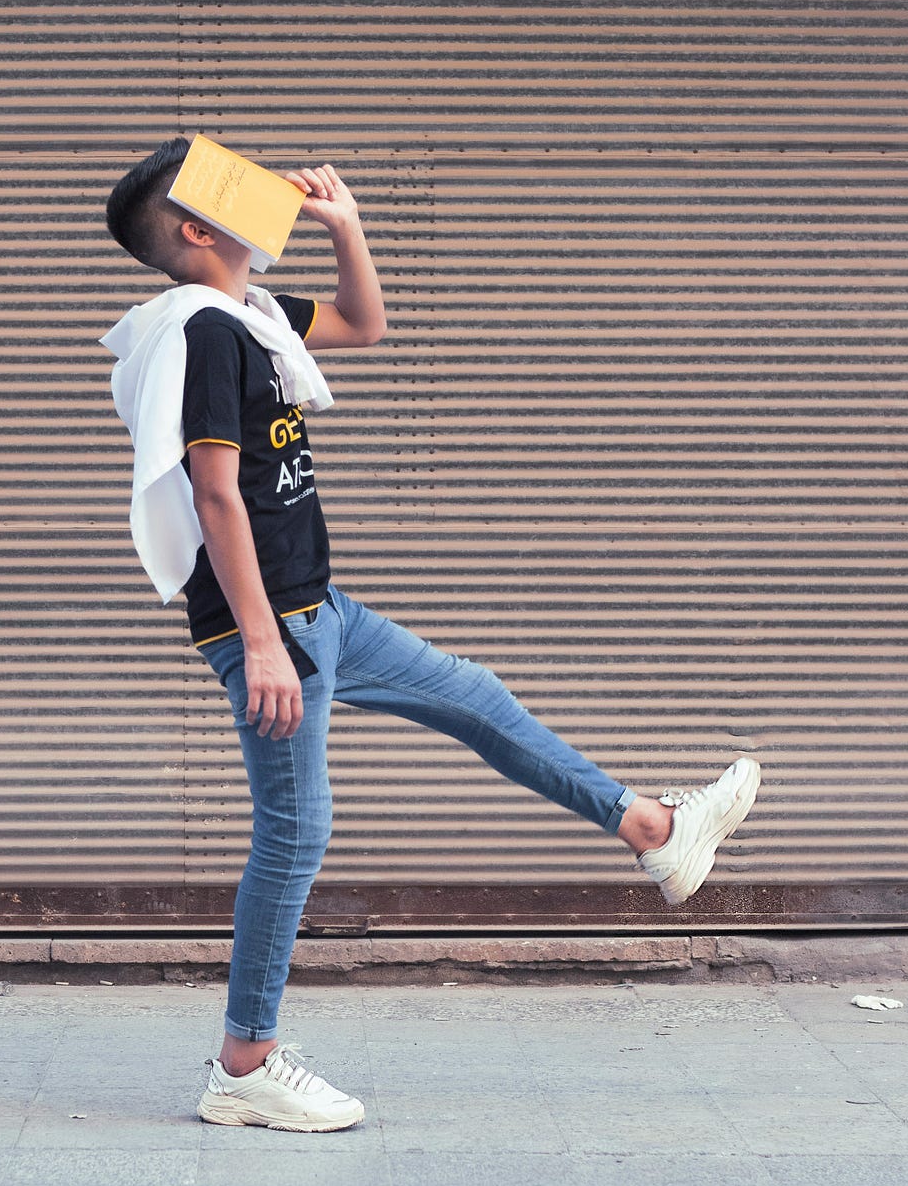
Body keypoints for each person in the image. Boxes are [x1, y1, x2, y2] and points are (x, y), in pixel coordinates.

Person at [101, 136, 760, 1134]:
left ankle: (654, 833)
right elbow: (214, 493)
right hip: (274, 622)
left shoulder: (250, 313)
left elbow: (362, 324)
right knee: (296, 831)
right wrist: (263, 642)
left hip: (319, 608)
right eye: (230, 181)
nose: (258, 185)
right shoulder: (203, 334)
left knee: (473, 696)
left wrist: (346, 226)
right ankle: (244, 1064)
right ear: (197, 227)